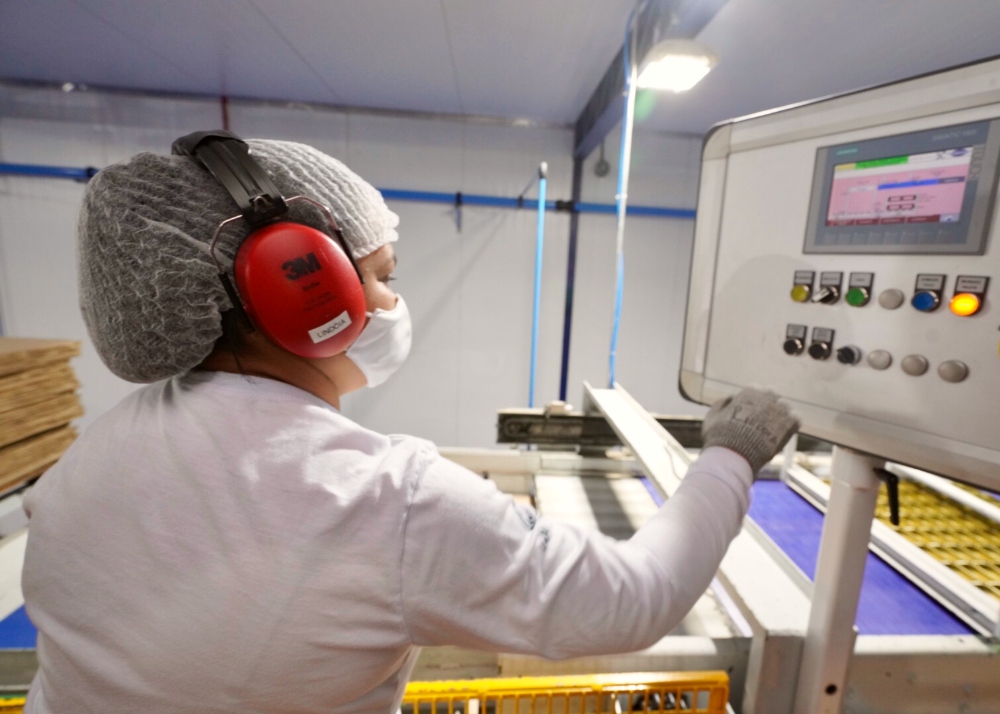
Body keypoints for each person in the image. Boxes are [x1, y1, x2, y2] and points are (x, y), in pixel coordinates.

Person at [20, 137, 798, 713]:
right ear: (301, 287)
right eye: (383, 276)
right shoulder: (387, 501)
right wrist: (730, 454)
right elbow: (637, 597)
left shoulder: (82, 467)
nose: (394, 303)